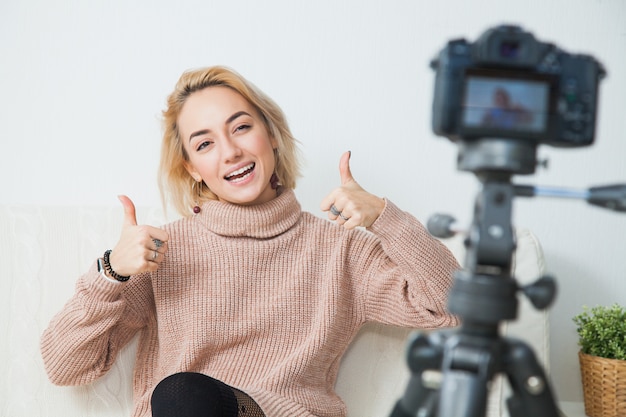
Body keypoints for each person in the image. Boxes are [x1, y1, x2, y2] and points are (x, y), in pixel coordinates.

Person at [40, 66, 460, 417]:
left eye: (241, 127)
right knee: (183, 396)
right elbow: (65, 366)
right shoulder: (164, 252)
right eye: (205, 143)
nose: (230, 152)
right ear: (192, 168)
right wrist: (110, 272)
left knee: (184, 396)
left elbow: (454, 309)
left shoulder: (341, 251)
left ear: (272, 135)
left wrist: (386, 218)